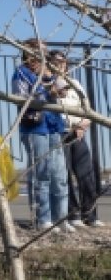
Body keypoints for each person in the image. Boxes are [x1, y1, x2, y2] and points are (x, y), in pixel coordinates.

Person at [11, 42, 70, 232]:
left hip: (54, 126)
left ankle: (61, 218)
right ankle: (43, 219)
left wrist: (55, 76)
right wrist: (44, 93)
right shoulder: (21, 73)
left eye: (45, 51)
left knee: (59, 175)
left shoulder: (48, 72)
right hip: (35, 128)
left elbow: (63, 91)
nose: (44, 54)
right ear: (29, 54)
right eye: (40, 51)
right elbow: (21, 99)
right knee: (41, 174)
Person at [47, 50, 103, 228]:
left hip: (77, 134)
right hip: (60, 132)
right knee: (65, 175)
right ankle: (73, 215)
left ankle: (90, 214)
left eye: (63, 61)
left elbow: (87, 109)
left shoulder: (76, 84)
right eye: (56, 62)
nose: (60, 64)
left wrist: (82, 126)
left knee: (86, 174)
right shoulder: (48, 84)